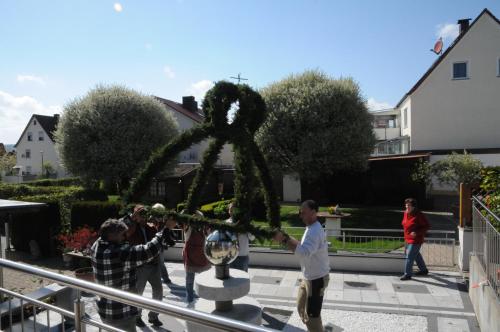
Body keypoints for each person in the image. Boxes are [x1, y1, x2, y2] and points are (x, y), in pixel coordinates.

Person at [90, 218, 170, 331]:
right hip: (122, 313)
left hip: (105, 309)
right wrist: (163, 232)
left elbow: (111, 228)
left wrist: (132, 217)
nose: (125, 237)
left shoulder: (96, 245)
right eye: (122, 235)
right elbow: (147, 251)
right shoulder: (119, 253)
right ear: (112, 236)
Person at [274, 200, 330, 332]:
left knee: (311, 315)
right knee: (302, 307)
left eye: (303, 212)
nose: (300, 215)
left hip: (316, 279)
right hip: (309, 277)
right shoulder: (311, 228)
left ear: (313, 212)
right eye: (300, 212)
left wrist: (284, 239)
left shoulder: (315, 231)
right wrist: (287, 237)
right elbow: (303, 247)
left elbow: (304, 253)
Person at [126, 205, 165, 327]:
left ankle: (153, 316)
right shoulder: (131, 228)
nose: (143, 217)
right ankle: (137, 316)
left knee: (158, 291)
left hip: (154, 265)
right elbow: (125, 231)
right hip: (140, 267)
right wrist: (133, 218)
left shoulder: (151, 227)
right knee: (138, 293)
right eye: (140, 214)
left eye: (144, 214)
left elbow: (159, 237)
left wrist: (162, 221)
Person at [181, 210, 210, 305]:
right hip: (190, 257)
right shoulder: (188, 228)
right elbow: (181, 217)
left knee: (204, 279)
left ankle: (204, 298)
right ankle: (189, 299)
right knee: (189, 280)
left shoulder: (204, 229)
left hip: (201, 256)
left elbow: (208, 237)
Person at [400, 198, 430, 281]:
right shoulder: (405, 213)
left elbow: (427, 226)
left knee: (409, 256)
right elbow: (405, 224)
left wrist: (417, 232)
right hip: (407, 238)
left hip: (416, 239)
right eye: (406, 205)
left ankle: (407, 274)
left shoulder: (419, 215)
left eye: (409, 206)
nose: (407, 207)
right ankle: (423, 270)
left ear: (413, 207)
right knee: (416, 254)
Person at [225, 202, 255, 272]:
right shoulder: (226, 223)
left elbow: (252, 238)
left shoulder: (245, 223)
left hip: (242, 256)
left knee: (243, 279)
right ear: (228, 211)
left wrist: (247, 230)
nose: (232, 212)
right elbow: (224, 239)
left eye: (234, 210)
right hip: (230, 256)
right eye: (230, 210)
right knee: (231, 278)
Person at [151, 203, 176, 284]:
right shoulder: (153, 219)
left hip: (160, 244)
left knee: (161, 263)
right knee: (157, 263)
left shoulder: (163, 220)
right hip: (154, 243)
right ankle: (161, 278)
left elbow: (166, 230)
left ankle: (165, 278)